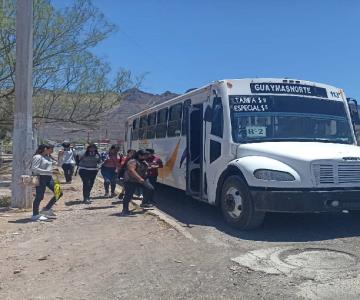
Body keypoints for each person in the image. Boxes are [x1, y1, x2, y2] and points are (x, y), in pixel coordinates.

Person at [31, 144, 63, 221]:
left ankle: (46, 209)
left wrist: (60, 156)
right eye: (51, 149)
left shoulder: (47, 157)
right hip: (40, 178)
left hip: (49, 177)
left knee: (59, 192)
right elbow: (34, 169)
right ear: (45, 149)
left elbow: (58, 164)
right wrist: (49, 171)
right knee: (39, 196)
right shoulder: (38, 157)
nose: (52, 151)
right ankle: (35, 215)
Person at [121, 149, 153, 215]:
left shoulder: (143, 161)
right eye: (145, 155)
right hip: (130, 181)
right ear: (139, 155)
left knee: (150, 188)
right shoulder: (132, 161)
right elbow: (131, 170)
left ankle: (144, 203)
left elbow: (144, 168)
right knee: (128, 195)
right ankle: (125, 210)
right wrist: (140, 178)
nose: (146, 157)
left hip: (140, 180)